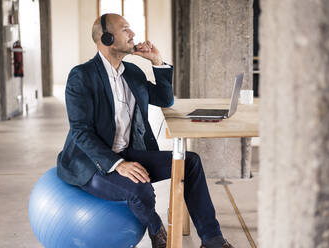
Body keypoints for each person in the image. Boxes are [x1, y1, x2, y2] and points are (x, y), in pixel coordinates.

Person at [56, 13, 233, 248]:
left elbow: (165, 99)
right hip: (92, 163)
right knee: (142, 190)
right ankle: (157, 231)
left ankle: (212, 240)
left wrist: (157, 62)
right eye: (126, 29)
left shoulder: (132, 72)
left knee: (190, 163)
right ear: (107, 38)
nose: (133, 35)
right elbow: (80, 132)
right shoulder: (82, 76)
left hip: (128, 152)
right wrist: (119, 165)